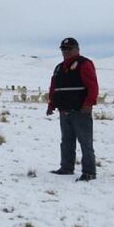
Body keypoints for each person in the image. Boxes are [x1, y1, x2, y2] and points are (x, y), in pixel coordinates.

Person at [46, 37, 99, 181]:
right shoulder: (59, 68)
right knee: (66, 141)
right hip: (64, 111)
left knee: (85, 143)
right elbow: (54, 88)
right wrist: (51, 104)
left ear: (77, 49)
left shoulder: (84, 64)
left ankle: (89, 171)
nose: (66, 52)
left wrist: (89, 104)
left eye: (69, 49)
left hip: (80, 110)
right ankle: (66, 167)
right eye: (63, 49)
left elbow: (93, 86)